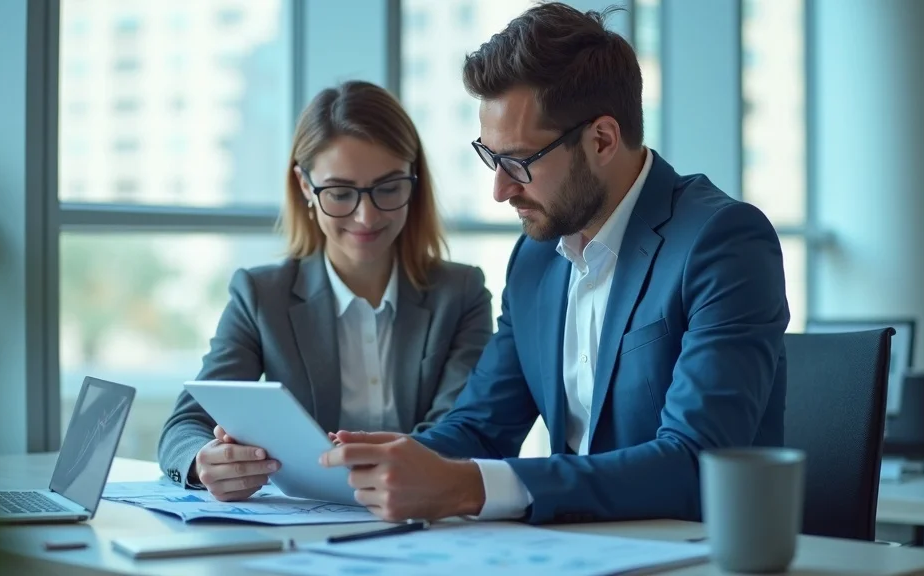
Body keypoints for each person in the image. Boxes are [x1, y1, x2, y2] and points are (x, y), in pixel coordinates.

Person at [320, 3, 790, 524]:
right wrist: (366, 463)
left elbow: (695, 462)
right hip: (574, 546)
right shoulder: (536, 258)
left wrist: (470, 487)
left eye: (518, 161)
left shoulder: (722, 241)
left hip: (691, 548)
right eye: (491, 158)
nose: (500, 189)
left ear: (602, 140)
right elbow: (480, 429)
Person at [158, 80, 494, 502]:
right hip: (305, 522)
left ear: (414, 181)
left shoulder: (460, 294)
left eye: (389, 188)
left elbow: (465, 431)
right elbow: (184, 427)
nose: (366, 216)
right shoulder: (261, 296)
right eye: (340, 193)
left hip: (424, 515)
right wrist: (204, 462)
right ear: (305, 186)